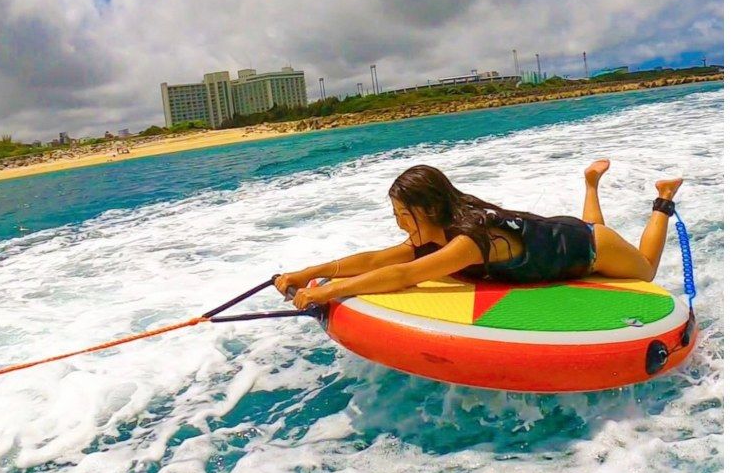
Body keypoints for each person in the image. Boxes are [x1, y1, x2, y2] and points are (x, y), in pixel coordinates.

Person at [275, 162, 682, 310]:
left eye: (404, 215)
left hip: (591, 247)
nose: (400, 224)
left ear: (429, 210)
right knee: (591, 227)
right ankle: (591, 185)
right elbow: (380, 260)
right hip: (566, 235)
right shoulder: (438, 230)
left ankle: (663, 197)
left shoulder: (467, 242)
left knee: (643, 271)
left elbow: (404, 276)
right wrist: (303, 273)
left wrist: (325, 293)